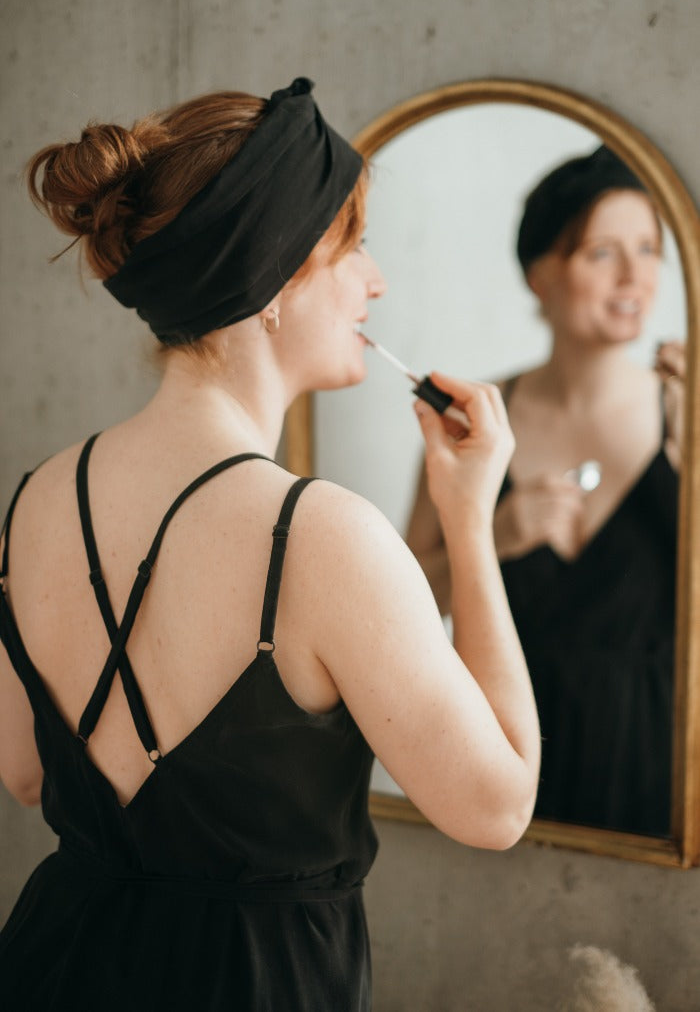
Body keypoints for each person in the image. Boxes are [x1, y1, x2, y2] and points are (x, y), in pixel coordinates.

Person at [0, 78, 540, 1011]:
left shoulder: (39, 497)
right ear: (280, 278)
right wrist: (470, 519)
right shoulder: (324, 536)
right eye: (354, 247)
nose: (374, 281)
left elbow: (25, 773)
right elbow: (496, 808)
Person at [407, 145, 683, 837]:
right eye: (602, 253)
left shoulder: (689, 412)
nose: (635, 276)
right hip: (507, 757)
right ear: (541, 275)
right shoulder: (474, 420)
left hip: (663, 767)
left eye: (649, 249)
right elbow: (403, 609)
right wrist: (494, 536)